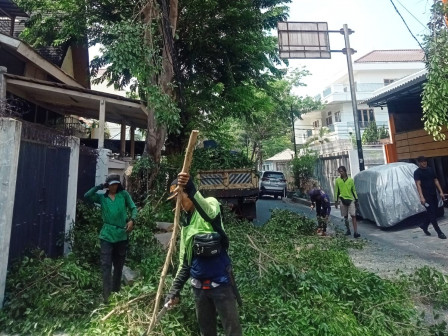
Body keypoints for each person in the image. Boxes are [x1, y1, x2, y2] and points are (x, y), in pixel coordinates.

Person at [166, 172, 242, 336]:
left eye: (179, 198)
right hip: (199, 289)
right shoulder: (186, 225)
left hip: (221, 283)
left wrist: (192, 188)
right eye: (174, 201)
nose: (177, 204)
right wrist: (174, 290)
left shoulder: (210, 203)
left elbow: (209, 213)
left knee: (232, 330)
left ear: (188, 193)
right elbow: (185, 263)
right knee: (206, 331)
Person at [84, 174, 137, 303]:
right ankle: (106, 296)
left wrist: (132, 220)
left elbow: (133, 208)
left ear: (119, 184)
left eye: (116, 184)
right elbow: (87, 196)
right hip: (107, 235)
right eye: (111, 184)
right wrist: (100, 186)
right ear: (108, 185)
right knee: (106, 265)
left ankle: (116, 292)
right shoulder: (102, 198)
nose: (114, 186)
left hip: (121, 235)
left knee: (119, 266)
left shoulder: (123, 195)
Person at [414, 156, 447, 239]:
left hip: (433, 194)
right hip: (426, 196)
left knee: (434, 212)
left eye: (425, 161)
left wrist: (441, 192)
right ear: (419, 163)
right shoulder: (417, 172)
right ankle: (439, 232)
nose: (424, 163)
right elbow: (418, 184)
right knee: (432, 214)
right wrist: (421, 197)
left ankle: (424, 225)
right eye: (422, 162)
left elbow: (436, 180)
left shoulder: (430, 169)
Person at [334, 166, 360, 238]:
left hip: (351, 199)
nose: (341, 173)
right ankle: (348, 230)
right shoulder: (338, 180)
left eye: (342, 171)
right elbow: (336, 191)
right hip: (342, 199)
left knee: (353, 216)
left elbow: (353, 190)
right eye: (339, 172)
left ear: (345, 171)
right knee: (345, 216)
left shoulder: (351, 180)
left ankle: (355, 232)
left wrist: (356, 200)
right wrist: (336, 201)